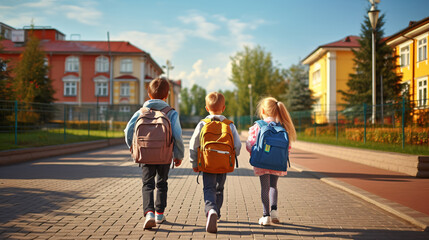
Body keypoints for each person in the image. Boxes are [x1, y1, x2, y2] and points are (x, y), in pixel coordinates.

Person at [124, 77, 184, 230]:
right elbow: (177, 136)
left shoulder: (141, 111)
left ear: (149, 95)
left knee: (147, 183)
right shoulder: (171, 112)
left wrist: (133, 148)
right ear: (167, 95)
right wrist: (178, 155)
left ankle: (149, 212)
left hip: (145, 154)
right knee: (162, 183)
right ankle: (160, 214)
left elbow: (128, 131)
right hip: (164, 155)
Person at [189, 92, 242, 233]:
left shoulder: (202, 124)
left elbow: (193, 144)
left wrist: (194, 162)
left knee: (209, 188)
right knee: (219, 188)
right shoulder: (229, 125)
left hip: (207, 163)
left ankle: (210, 209)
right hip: (224, 164)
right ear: (223, 108)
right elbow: (237, 145)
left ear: (206, 108)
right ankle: (216, 212)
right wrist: (233, 156)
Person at [246, 97, 296, 226]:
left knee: (265, 187)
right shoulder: (282, 127)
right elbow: (288, 147)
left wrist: (254, 152)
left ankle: (265, 215)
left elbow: (250, 144)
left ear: (262, 110)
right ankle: (274, 212)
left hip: (262, 162)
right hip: (277, 163)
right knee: (273, 186)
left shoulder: (258, 126)